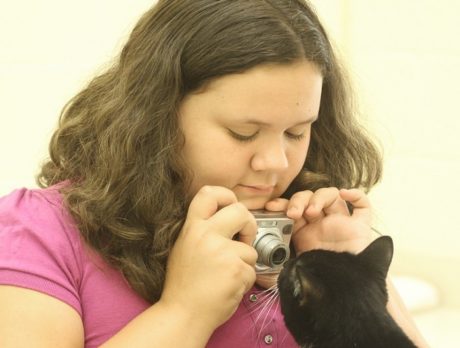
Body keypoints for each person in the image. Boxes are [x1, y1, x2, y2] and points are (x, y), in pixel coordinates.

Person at [0, 0, 428, 347]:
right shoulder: (38, 235)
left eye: (297, 132)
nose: (276, 162)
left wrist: (361, 283)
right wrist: (185, 312)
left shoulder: (305, 228)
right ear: (155, 119)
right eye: (243, 133)